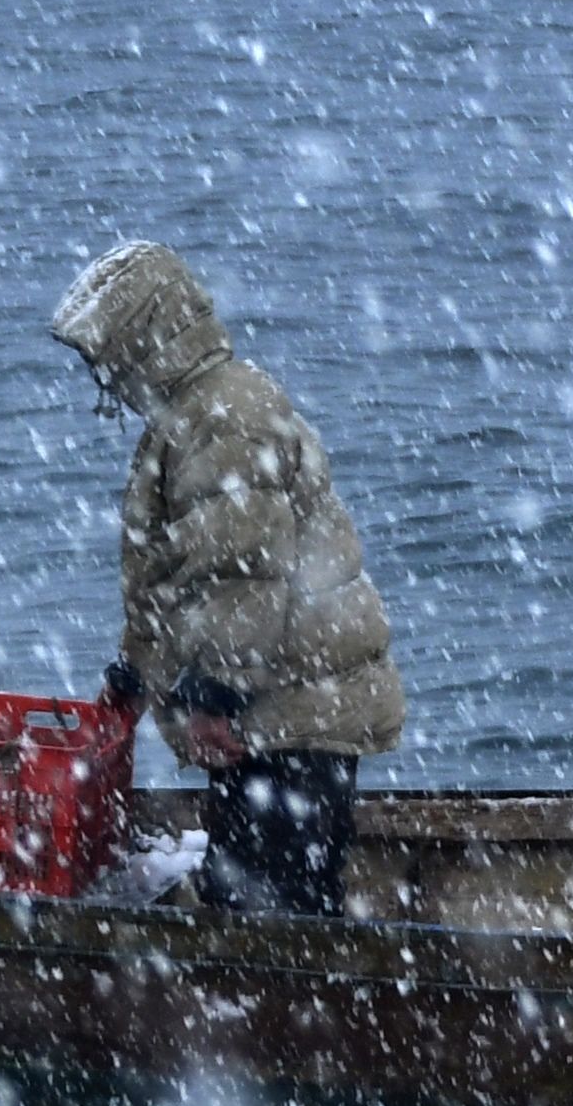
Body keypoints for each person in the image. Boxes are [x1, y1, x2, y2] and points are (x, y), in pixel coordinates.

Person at [50, 241, 406, 917]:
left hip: (288, 717)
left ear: (140, 338)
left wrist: (216, 695)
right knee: (272, 906)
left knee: (266, 919)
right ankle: (301, 1012)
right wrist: (136, 671)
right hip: (280, 711)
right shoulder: (198, 412)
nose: (100, 372)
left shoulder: (222, 418)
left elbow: (244, 574)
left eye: (102, 354)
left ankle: (289, 1020)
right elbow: (186, 577)